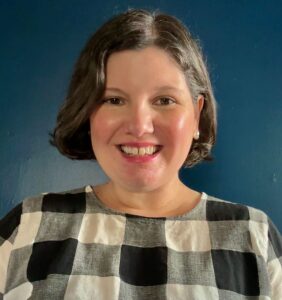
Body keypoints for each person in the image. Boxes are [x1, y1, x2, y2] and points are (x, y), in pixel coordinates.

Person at [0, 8, 281, 300]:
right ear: (88, 114)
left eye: (164, 100)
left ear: (197, 116)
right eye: (114, 99)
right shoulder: (28, 225)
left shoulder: (254, 236)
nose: (139, 126)